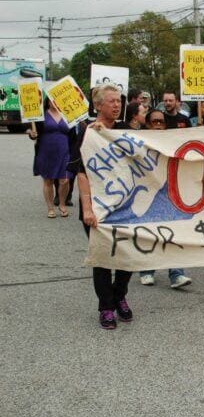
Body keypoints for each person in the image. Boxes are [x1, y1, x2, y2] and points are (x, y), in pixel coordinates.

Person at [73, 84, 134, 330]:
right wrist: (87, 209)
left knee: (127, 257)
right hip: (97, 207)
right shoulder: (87, 133)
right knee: (103, 258)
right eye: (111, 101)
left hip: (124, 206)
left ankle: (120, 295)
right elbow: (82, 173)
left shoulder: (125, 131)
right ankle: (106, 307)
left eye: (119, 100)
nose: (117, 105)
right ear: (98, 105)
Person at [138, 110, 193, 290]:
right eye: (154, 122)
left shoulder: (172, 144)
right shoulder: (137, 142)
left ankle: (176, 274)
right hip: (147, 196)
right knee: (151, 234)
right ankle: (147, 270)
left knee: (174, 233)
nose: (159, 125)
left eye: (161, 122)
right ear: (147, 125)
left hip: (170, 195)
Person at [27, 98, 74, 218]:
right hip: (46, 151)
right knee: (48, 180)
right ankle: (50, 208)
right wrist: (32, 134)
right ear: (48, 101)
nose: (55, 102)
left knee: (65, 180)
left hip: (65, 151)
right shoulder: (41, 116)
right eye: (52, 100)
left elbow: (73, 134)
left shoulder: (68, 113)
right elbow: (34, 133)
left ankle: (62, 204)